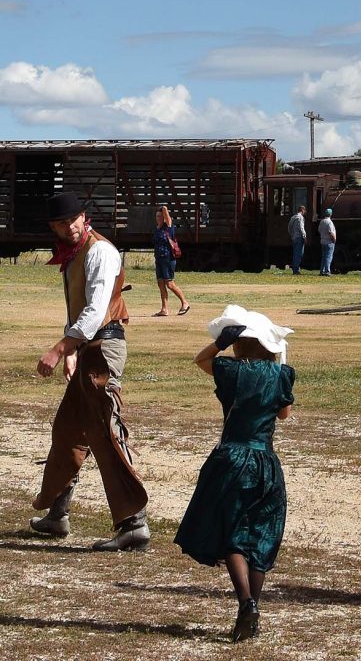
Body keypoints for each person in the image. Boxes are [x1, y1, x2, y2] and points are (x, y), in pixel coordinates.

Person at [29, 190, 151, 551]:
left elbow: (96, 311)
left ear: (84, 217)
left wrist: (61, 347)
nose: (68, 227)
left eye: (72, 220)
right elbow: (78, 309)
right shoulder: (74, 254)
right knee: (68, 430)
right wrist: (74, 350)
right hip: (89, 347)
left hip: (104, 347)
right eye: (59, 223)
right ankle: (57, 514)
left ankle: (135, 523)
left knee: (106, 431)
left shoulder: (99, 250)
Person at [174, 306, 295, 643]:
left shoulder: (230, 370)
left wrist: (219, 345)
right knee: (260, 532)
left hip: (231, 458)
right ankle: (253, 606)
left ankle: (246, 603)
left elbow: (201, 361)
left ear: (239, 342)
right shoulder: (282, 375)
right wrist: (279, 362)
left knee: (232, 531)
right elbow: (284, 414)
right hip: (265, 461)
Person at [151, 205, 190, 316]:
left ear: (164, 218)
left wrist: (163, 209)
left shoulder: (168, 227)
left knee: (170, 284)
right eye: (157, 216)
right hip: (159, 259)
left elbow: (165, 212)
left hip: (168, 258)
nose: (158, 218)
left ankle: (185, 303)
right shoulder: (157, 229)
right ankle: (164, 309)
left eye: (160, 216)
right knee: (161, 283)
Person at [317, 208, 338, 276]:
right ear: (330, 214)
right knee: (328, 257)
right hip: (329, 242)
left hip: (323, 241)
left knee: (324, 257)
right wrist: (334, 239)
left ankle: (322, 271)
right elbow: (331, 232)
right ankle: (327, 271)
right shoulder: (329, 222)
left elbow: (319, 230)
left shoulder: (322, 221)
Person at [287, 205, 306, 276]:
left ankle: (295, 269)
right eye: (304, 210)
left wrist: (291, 235)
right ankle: (296, 270)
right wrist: (304, 236)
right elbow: (301, 228)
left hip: (294, 238)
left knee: (295, 253)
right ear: (302, 210)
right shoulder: (300, 218)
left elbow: (289, 227)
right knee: (299, 254)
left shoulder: (293, 217)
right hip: (299, 238)